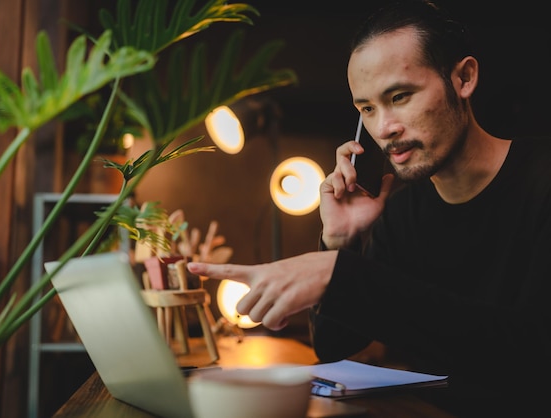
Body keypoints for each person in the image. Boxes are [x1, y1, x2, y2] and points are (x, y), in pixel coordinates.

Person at [188, 0, 551, 415]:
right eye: (367, 109)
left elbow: (533, 351)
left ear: (463, 77)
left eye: (400, 96)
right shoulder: (401, 213)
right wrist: (340, 244)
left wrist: (340, 276)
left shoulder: (542, 182)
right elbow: (342, 354)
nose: (384, 128)